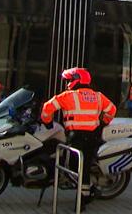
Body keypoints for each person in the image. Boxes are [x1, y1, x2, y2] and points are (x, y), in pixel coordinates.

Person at [40, 67, 116, 209]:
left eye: (68, 80)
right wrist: (103, 124)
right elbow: (112, 110)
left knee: (74, 166)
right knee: (85, 167)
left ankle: (84, 198)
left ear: (76, 80)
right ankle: (85, 196)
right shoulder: (98, 96)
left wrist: (47, 122)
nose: (67, 83)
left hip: (76, 137)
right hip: (92, 137)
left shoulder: (69, 96)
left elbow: (47, 108)